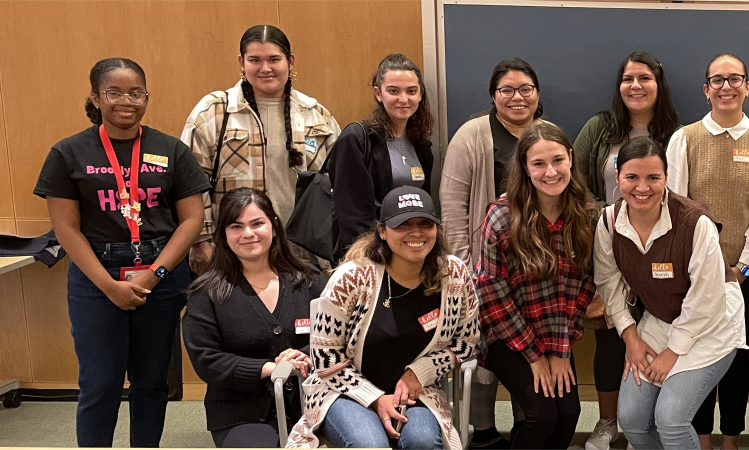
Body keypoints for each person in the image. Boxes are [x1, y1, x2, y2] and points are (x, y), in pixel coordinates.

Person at [34, 57, 211, 447]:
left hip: (160, 275)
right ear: (96, 98)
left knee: (152, 382)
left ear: (147, 97)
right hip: (97, 279)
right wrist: (108, 285)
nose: (125, 101)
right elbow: (66, 228)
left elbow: (192, 220)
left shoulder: (172, 150)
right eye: (114, 92)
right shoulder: (68, 153)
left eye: (136, 92)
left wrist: (156, 275)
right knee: (101, 383)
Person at [287, 186, 480, 449]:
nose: (416, 232)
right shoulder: (351, 278)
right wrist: (376, 398)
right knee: (370, 444)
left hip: (416, 392)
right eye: (403, 224)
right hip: (343, 391)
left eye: (425, 223)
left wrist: (419, 373)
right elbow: (325, 358)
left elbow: (466, 341)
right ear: (382, 231)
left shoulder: (454, 274)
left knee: (422, 442)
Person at [594, 137, 747, 450]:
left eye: (654, 178)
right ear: (617, 175)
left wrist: (672, 351)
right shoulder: (609, 222)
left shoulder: (695, 223)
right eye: (632, 177)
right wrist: (631, 338)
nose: (642, 187)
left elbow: (707, 300)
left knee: (671, 420)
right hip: (660, 319)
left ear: (667, 178)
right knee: (633, 421)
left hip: (711, 326)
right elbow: (608, 283)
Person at [664, 52, 749, 450]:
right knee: (696, 356)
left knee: (734, 358)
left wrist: (743, 268)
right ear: (706, 89)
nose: (726, 87)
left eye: (735, 79)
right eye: (717, 80)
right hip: (694, 271)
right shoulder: (684, 139)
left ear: (748, 87)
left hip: (744, 274)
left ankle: (730, 438)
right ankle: (700, 440)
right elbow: (676, 206)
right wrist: (707, 267)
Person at [571, 50, 681, 450]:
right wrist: (609, 215)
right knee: (612, 336)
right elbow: (574, 182)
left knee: (658, 333)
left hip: (664, 251)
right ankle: (607, 422)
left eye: (645, 78)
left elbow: (682, 194)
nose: (636, 86)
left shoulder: (676, 133)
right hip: (607, 245)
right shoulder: (600, 128)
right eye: (628, 78)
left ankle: (643, 423)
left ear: (658, 84)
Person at [439, 58, 544, 447]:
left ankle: (524, 429)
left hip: (534, 272)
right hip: (481, 268)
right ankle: (482, 432)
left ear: (537, 94)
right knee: (482, 351)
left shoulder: (546, 135)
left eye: (525, 89)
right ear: (493, 96)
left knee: (527, 348)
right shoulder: (472, 135)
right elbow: (451, 206)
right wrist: (466, 269)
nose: (517, 98)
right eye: (507, 90)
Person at [474, 123, 596, 449]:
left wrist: (559, 350)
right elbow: (491, 293)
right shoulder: (502, 218)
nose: (551, 172)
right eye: (539, 164)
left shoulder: (586, 214)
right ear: (525, 168)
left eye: (558, 160)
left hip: (556, 330)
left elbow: (583, 285)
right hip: (505, 333)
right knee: (543, 415)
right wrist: (533, 354)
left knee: (568, 413)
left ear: (571, 158)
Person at [181, 25, 340, 272]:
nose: (265, 68)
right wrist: (201, 241)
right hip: (235, 255)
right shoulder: (214, 112)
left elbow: (339, 184)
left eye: (274, 59)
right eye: (255, 60)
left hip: (304, 255)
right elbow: (190, 183)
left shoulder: (317, 115)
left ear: (290, 61)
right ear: (241, 62)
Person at [183, 188, 327, 447]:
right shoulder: (206, 293)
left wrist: (304, 356)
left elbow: (336, 340)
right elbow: (207, 360)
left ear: (273, 226)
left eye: (257, 223)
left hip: (314, 404)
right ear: (223, 235)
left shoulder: (310, 280)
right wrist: (269, 369)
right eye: (236, 226)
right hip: (241, 412)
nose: (248, 234)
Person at [328, 54, 436, 262]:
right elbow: (350, 214)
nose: (403, 99)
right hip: (368, 256)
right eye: (393, 91)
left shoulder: (422, 145)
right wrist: (371, 259)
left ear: (420, 94)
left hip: (408, 254)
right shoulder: (356, 139)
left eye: (411, 91)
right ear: (378, 93)